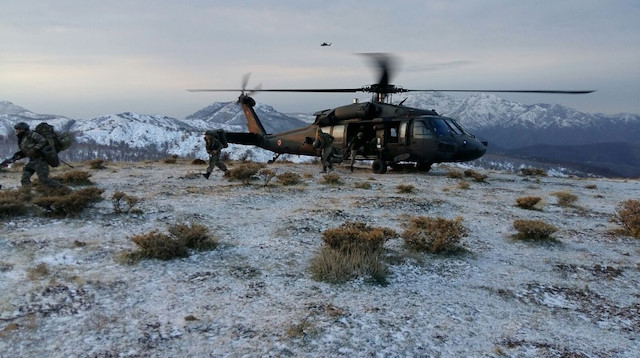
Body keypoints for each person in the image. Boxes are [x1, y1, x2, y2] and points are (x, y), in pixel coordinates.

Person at [9, 122, 62, 187]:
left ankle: (62, 188)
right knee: (24, 179)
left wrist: (35, 149)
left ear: (23, 129)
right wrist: (19, 155)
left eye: (18, 129)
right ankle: (27, 192)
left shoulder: (31, 134)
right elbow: (27, 150)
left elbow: (42, 140)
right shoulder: (22, 138)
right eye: (16, 129)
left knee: (44, 180)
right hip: (32, 161)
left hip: (40, 161)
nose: (16, 131)